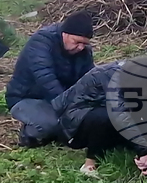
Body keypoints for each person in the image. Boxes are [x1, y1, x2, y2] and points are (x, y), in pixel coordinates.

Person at [51, 56, 147, 178]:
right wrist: (143, 151)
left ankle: (119, 151)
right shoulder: (113, 78)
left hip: (108, 120)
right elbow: (120, 115)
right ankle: (89, 165)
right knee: (106, 116)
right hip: (74, 126)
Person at [6, 11, 95, 146]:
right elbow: (46, 79)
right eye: (77, 42)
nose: (81, 47)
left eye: (85, 44)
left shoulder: (83, 51)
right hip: (27, 97)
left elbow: (89, 77)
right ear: (65, 33)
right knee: (55, 123)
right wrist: (67, 108)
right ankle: (29, 133)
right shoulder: (41, 42)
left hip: (60, 98)